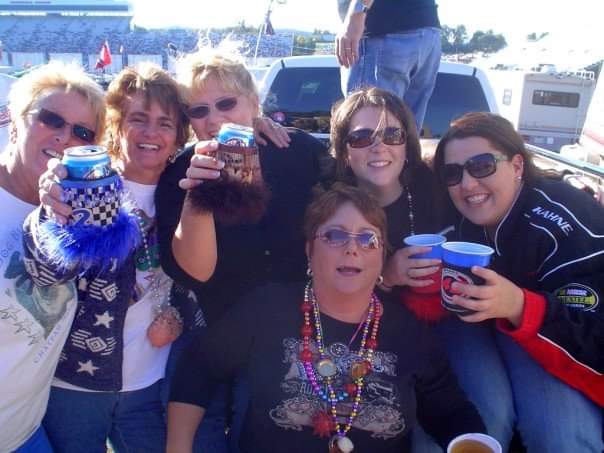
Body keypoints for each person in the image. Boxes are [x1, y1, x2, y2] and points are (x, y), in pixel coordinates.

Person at [166, 184, 486, 453]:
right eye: (335, 236)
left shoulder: (410, 334)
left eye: (367, 238)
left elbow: (451, 412)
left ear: (381, 256)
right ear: (309, 250)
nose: (352, 248)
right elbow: (200, 366)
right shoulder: (266, 308)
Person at [28, 63, 216, 453]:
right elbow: (50, 271)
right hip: (75, 385)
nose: (151, 133)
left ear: (178, 134)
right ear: (116, 124)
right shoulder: (84, 184)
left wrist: (178, 315)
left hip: (149, 387)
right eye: (138, 119)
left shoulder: (185, 189)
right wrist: (55, 207)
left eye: (165, 123)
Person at [156, 49, 333, 451]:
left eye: (226, 103)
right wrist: (198, 195)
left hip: (299, 335)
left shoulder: (298, 151)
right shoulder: (181, 173)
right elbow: (194, 273)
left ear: (254, 103)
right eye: (199, 110)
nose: (214, 118)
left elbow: (355, 211)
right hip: (221, 333)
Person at [430, 112, 604, 451]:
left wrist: (521, 306)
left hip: (553, 338)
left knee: (561, 434)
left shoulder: (565, 224)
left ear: (518, 166)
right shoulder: (448, 213)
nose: (467, 183)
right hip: (476, 328)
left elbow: (595, 339)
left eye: (482, 165)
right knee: (481, 420)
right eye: (453, 173)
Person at [0, 62, 106, 453]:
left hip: (24, 436)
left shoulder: (80, 212)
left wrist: (257, 123)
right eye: (51, 119)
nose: (64, 138)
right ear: (15, 121)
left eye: (82, 132)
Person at [330, 87, 444, 316]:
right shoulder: (331, 212)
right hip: (369, 329)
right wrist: (386, 276)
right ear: (344, 152)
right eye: (361, 138)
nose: (379, 147)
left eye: (392, 135)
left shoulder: (438, 189)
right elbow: (324, 293)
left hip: (443, 321)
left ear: (407, 146)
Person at [335, 0, 441, 133]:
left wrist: (356, 13)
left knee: (369, 137)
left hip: (383, 31)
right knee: (404, 141)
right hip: (426, 30)